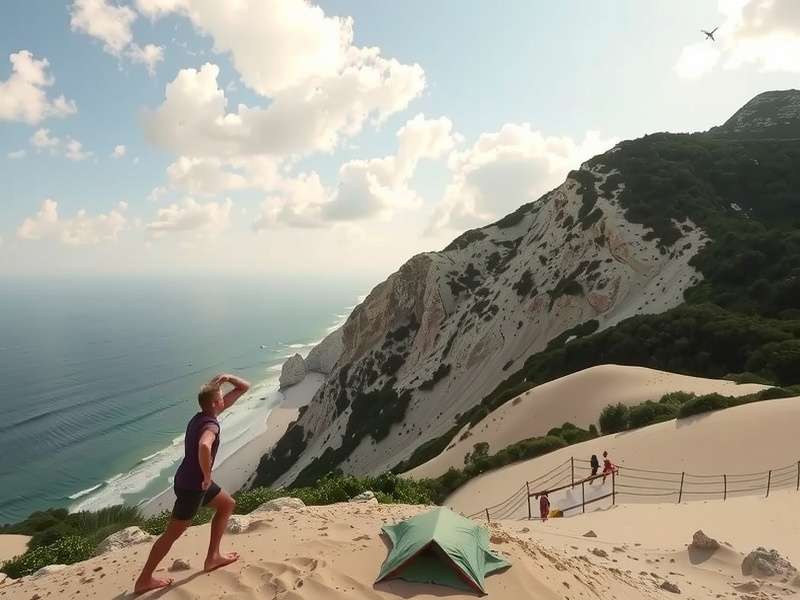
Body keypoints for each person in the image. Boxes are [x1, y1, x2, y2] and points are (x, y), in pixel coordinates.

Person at [134, 373, 251, 594]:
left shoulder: (202, 416)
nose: (225, 398)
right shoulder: (211, 426)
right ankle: (144, 579)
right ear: (216, 403)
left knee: (227, 504)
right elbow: (204, 446)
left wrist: (226, 378)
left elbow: (244, 387)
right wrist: (206, 476)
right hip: (194, 487)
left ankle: (213, 557)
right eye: (221, 397)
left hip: (187, 479)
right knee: (171, 535)